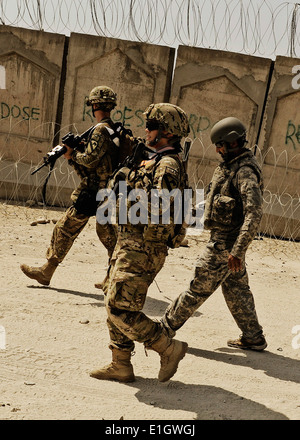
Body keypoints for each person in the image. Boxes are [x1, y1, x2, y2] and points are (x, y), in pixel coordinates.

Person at [89, 103, 190, 383]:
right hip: (128, 244)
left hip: (143, 249)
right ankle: (120, 364)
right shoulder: (154, 160)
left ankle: (168, 347)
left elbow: (161, 208)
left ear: (166, 132)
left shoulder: (168, 165)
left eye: (152, 126)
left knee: (122, 308)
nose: (146, 130)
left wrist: (128, 193)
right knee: (112, 300)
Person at [161, 116, 267, 351]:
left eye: (220, 144)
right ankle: (253, 337)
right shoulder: (229, 166)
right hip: (225, 242)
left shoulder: (245, 171)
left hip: (225, 245)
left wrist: (237, 251)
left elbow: (254, 213)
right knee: (236, 289)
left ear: (232, 143)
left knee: (197, 288)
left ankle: (162, 330)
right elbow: (210, 201)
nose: (217, 149)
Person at [20, 86, 120, 286]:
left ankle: (46, 271)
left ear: (95, 105)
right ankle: (114, 277)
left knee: (66, 228)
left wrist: (71, 155)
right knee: (107, 233)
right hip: (108, 190)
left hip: (93, 191)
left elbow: (91, 160)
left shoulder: (100, 129)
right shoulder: (113, 128)